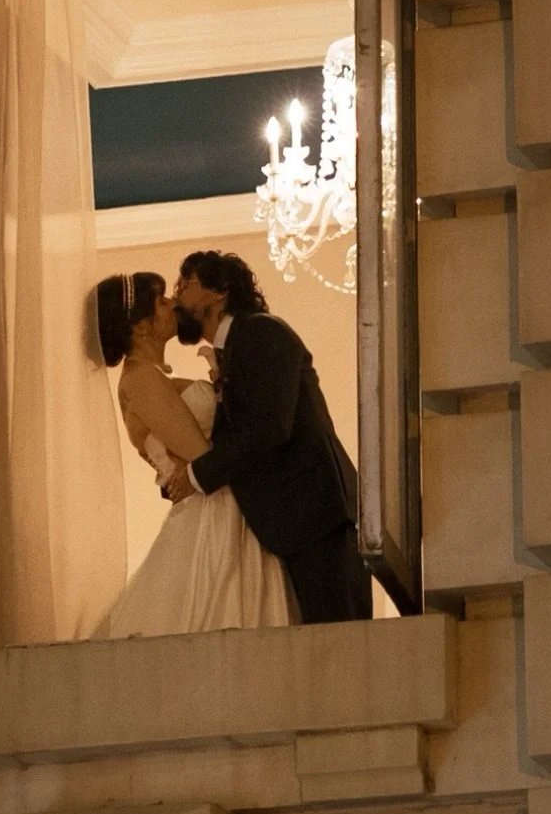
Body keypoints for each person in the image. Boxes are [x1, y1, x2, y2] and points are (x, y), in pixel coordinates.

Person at [160, 250, 373, 625]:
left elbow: (270, 427)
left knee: (343, 647)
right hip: (292, 524)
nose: (177, 297)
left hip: (317, 517)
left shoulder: (261, 332)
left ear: (218, 290)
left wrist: (196, 476)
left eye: (186, 284)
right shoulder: (237, 346)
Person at [91, 269, 293, 639]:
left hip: (222, 502)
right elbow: (199, 453)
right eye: (163, 301)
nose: (173, 306)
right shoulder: (140, 379)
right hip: (213, 512)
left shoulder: (153, 378)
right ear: (140, 328)